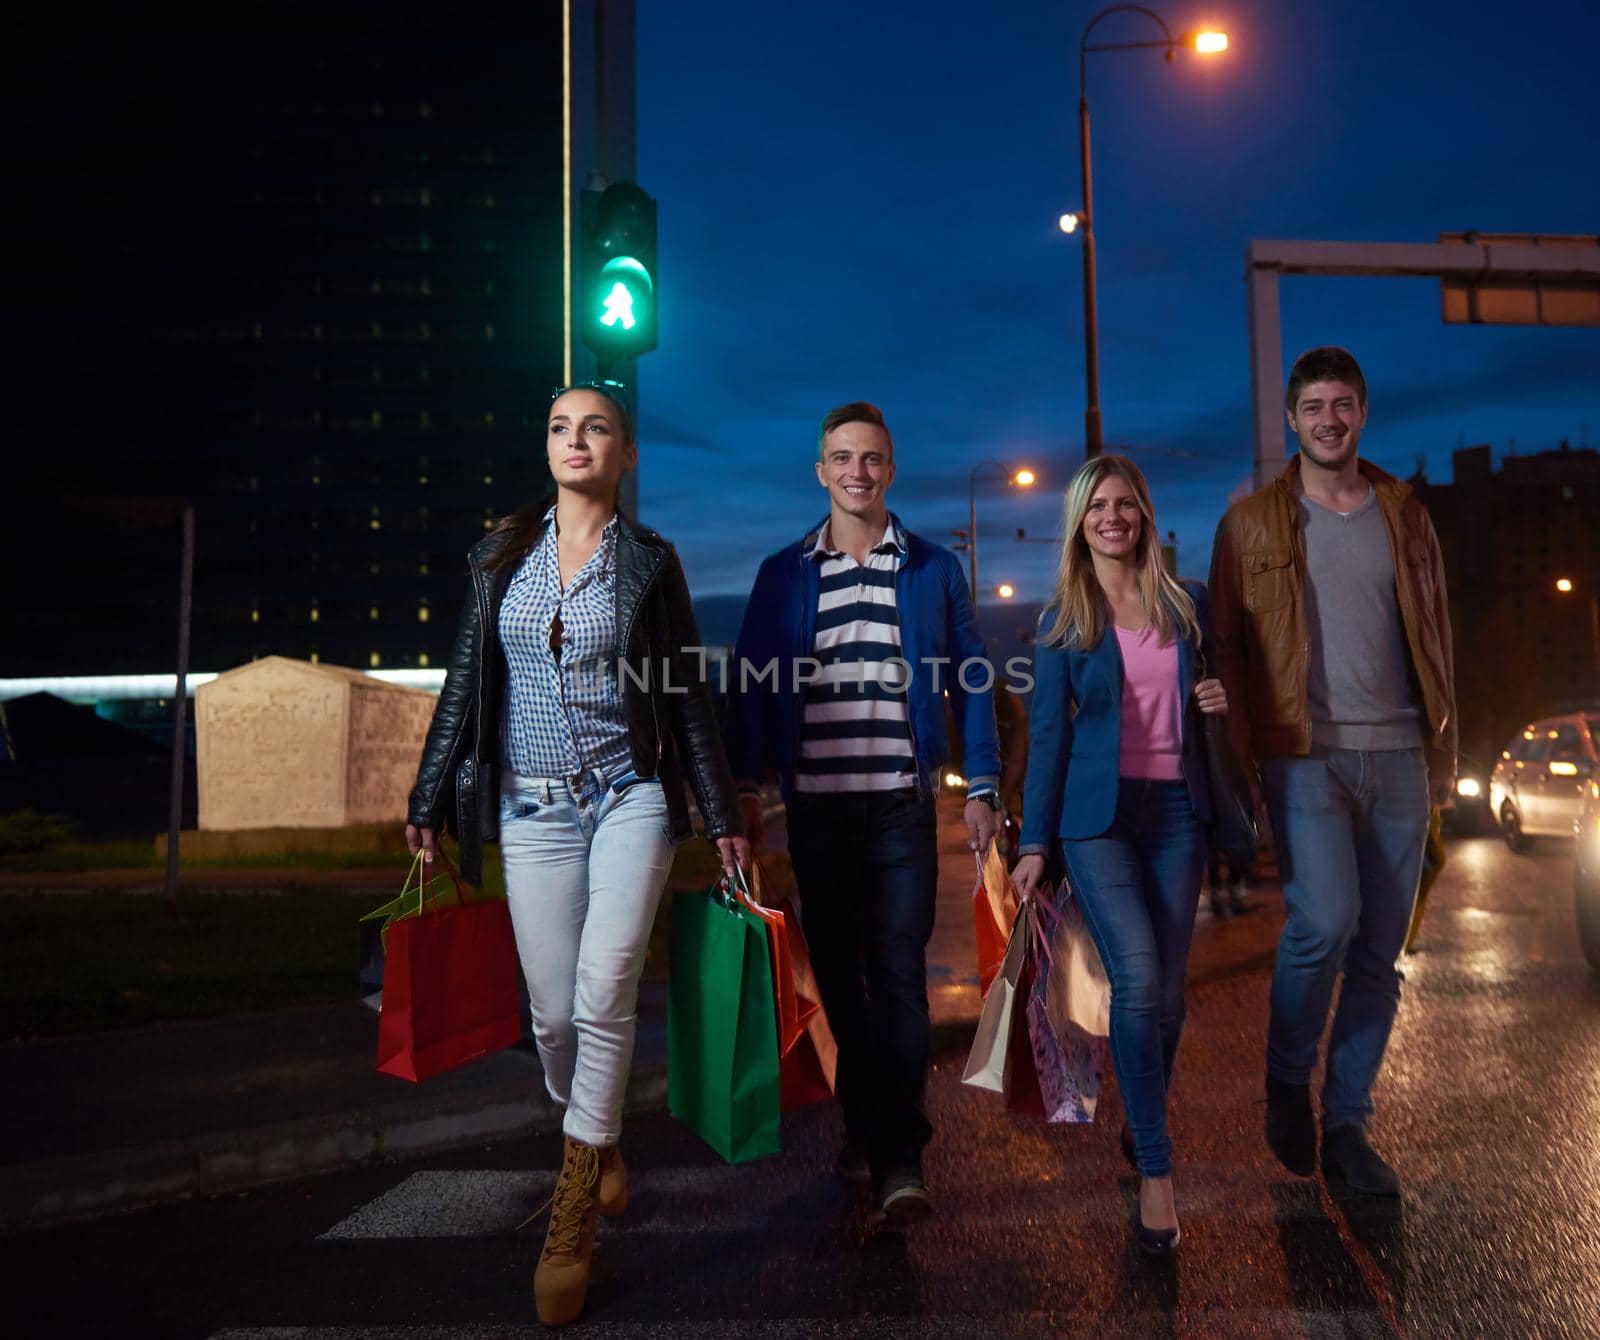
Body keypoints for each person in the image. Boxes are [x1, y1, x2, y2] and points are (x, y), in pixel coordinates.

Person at [404, 381, 749, 1327]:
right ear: (546, 447)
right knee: (554, 1015)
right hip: (530, 809)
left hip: (630, 796)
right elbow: (465, 684)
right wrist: (428, 796)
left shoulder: (651, 564)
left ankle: (572, 1208)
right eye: (560, 426)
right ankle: (594, 1136)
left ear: (626, 454)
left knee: (605, 991)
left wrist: (719, 813)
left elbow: (684, 699)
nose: (577, 439)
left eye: (596, 427)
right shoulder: (499, 559)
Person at [726, 400, 1001, 1227]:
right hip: (817, 809)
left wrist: (982, 783)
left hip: (899, 808)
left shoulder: (930, 569)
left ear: (891, 469)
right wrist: (744, 791)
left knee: (899, 973)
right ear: (821, 471)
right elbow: (748, 686)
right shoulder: (784, 573)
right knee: (841, 980)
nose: (857, 471)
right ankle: (875, 1124)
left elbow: (972, 675)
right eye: (841, 458)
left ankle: (899, 1157)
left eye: (871, 458)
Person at [1209, 346, 1455, 1197]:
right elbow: (1230, 652)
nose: (1328, 419)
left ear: (1363, 411)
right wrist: (1241, 763)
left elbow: (1436, 638)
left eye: (1342, 403)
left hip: (1400, 754)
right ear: (1291, 418)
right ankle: (1287, 1078)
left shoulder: (1404, 513)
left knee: (1382, 954)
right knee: (1326, 923)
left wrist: (1444, 759)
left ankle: (1347, 1122)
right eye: (1313, 405)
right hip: (1304, 755)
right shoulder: (1250, 525)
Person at [1012, 454, 1227, 1259]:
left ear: (1144, 513)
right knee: (1136, 978)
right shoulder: (1063, 620)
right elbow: (1047, 738)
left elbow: (1217, 691)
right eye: (1097, 505)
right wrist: (1035, 842)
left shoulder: (1187, 606)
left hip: (1177, 814)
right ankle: (1159, 1175)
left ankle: (1142, 1128)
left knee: (1167, 999)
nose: (1113, 516)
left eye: (1125, 503)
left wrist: (1217, 698)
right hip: (1095, 825)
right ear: (1079, 521)